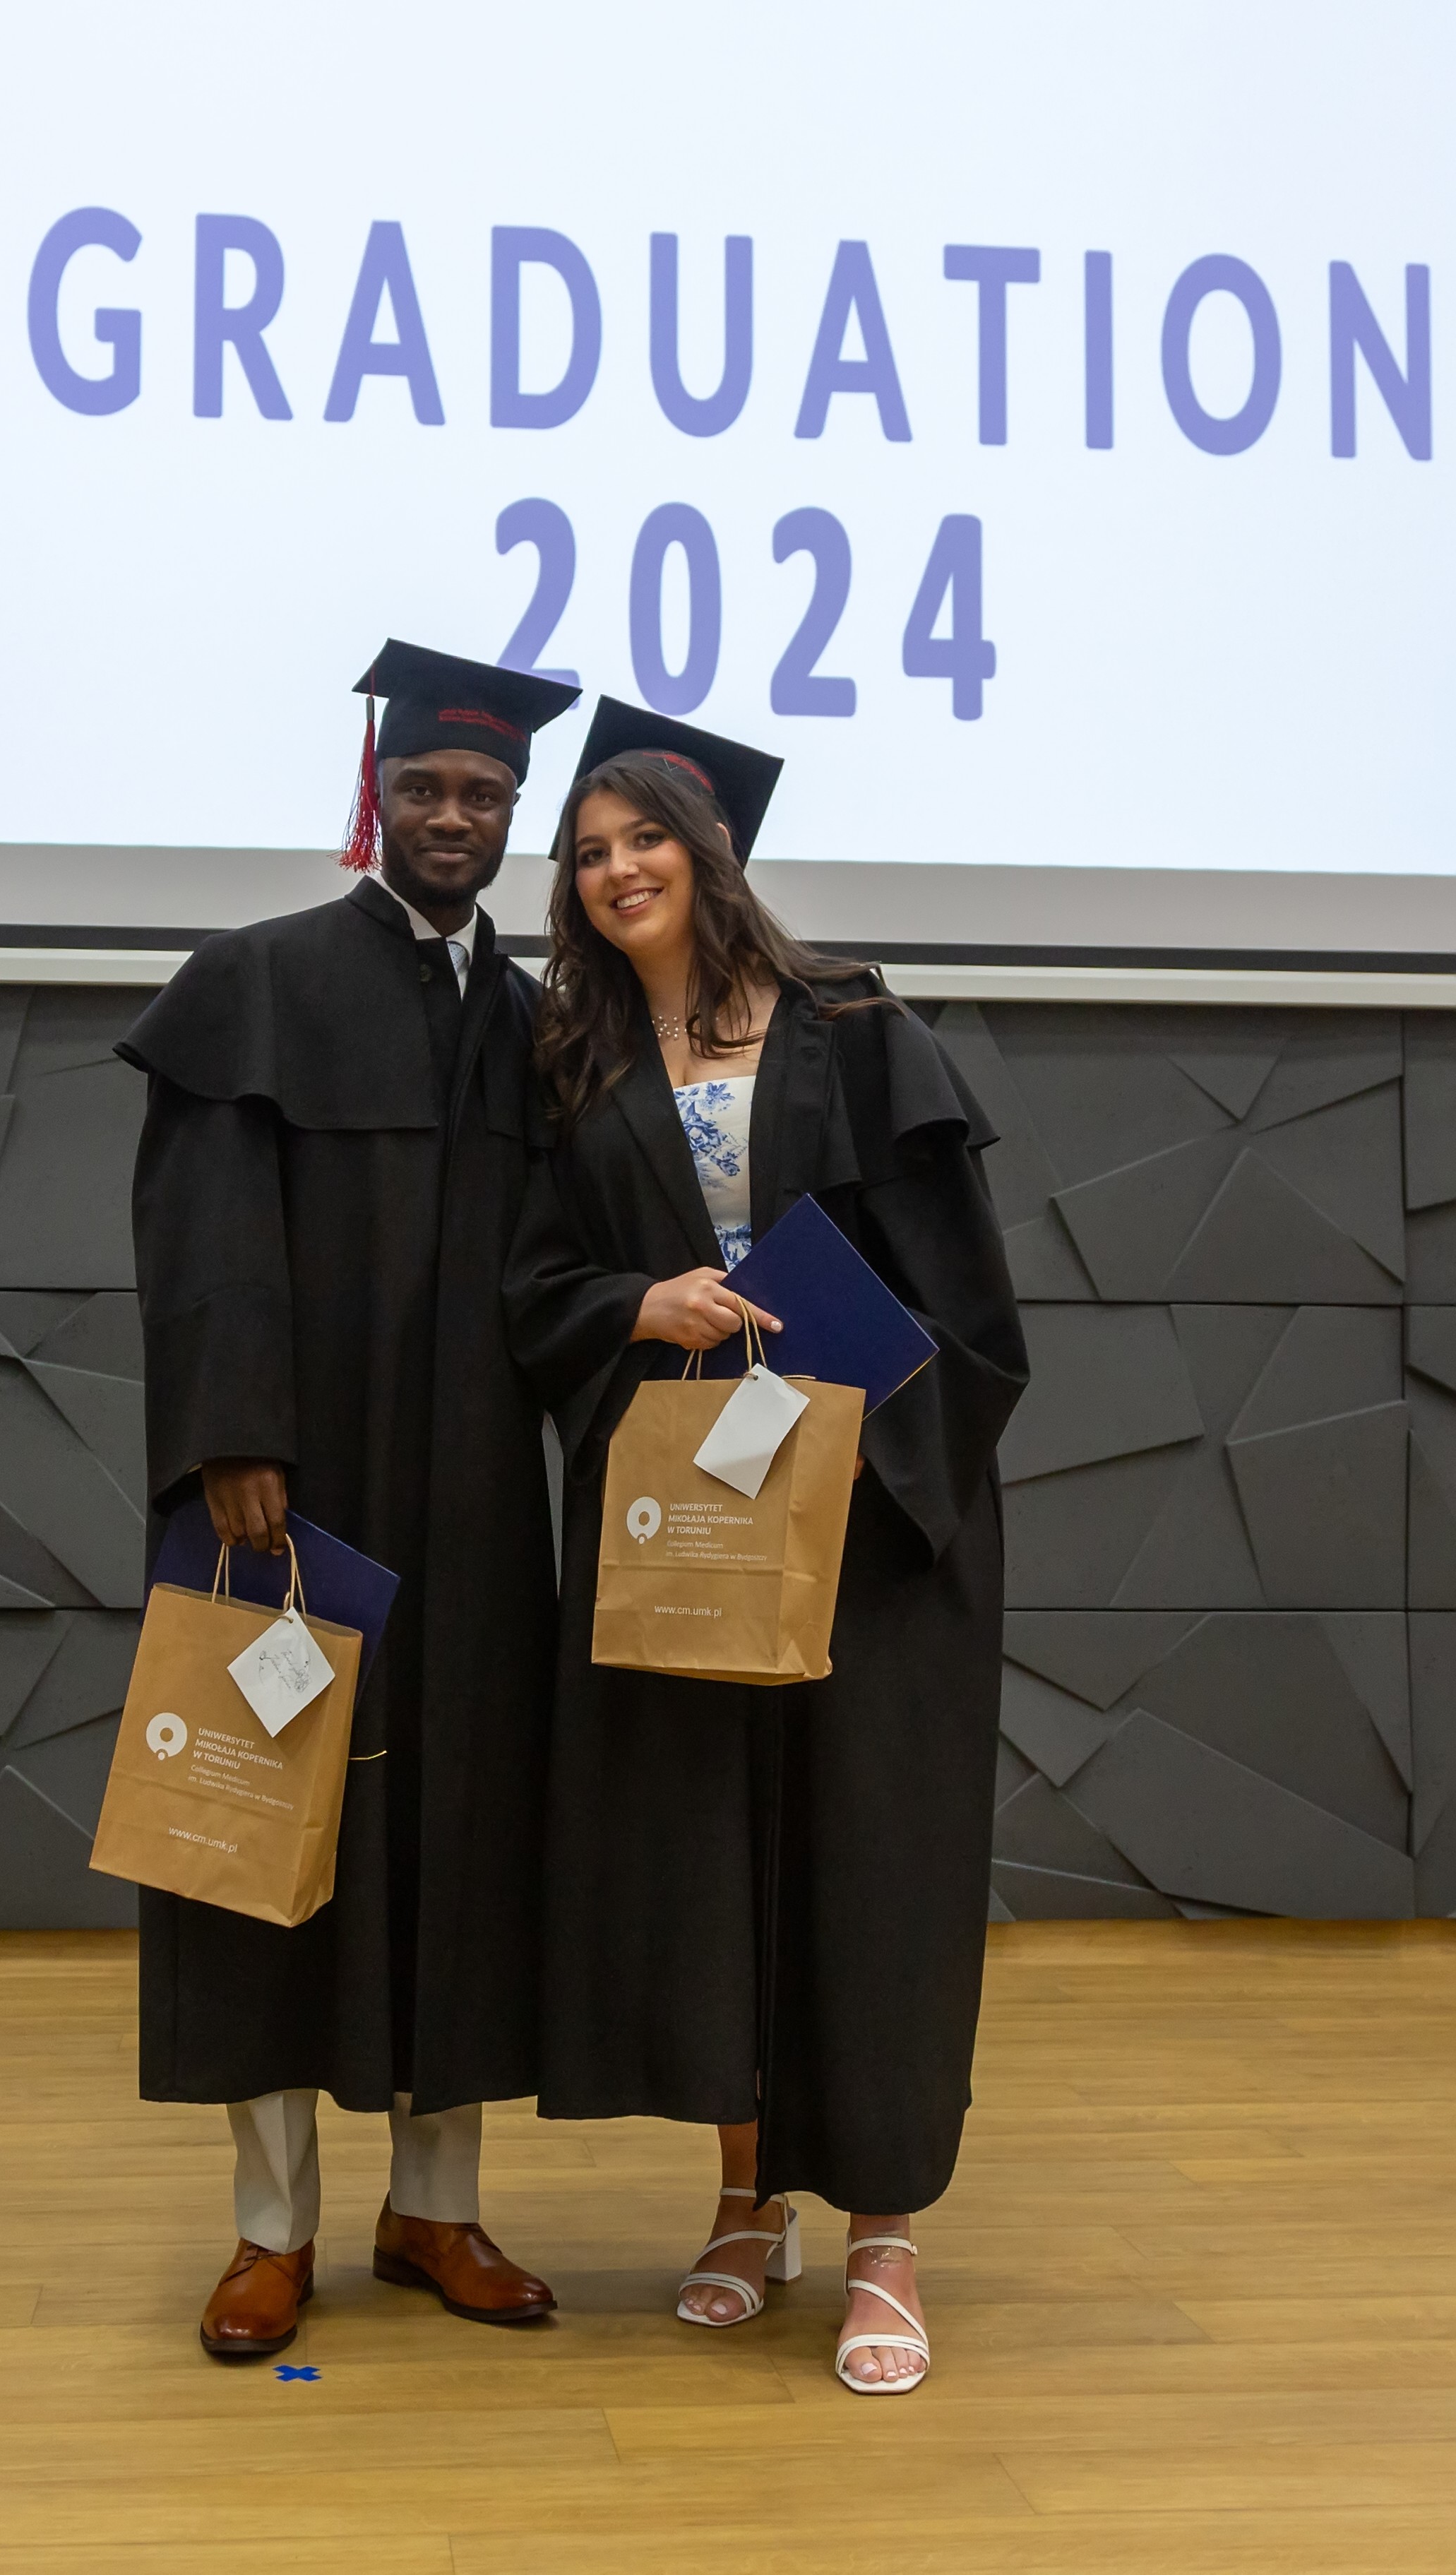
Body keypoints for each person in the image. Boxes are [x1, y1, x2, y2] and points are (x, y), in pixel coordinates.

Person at [503, 699, 1027, 2393]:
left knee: (868, 1862)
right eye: (588, 852)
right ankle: (745, 2197)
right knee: (709, 1853)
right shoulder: (578, 1067)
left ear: (710, 847)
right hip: (693, 1507)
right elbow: (533, 1287)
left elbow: (969, 1306)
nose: (616, 870)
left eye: (643, 836)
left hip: (873, 1516)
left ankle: (883, 2234)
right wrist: (633, 1303)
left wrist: (857, 1417)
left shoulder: (857, 1030)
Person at [118, 642, 579, 2357]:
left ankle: (434, 2204)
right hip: (291, 1488)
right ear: (375, 797)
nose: (454, 815)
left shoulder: (535, 1024)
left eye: (485, 794)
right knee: (259, 1829)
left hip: (475, 1494)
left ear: (513, 816)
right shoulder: (258, 980)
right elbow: (202, 1228)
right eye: (426, 787)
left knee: (460, 1829)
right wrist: (235, 1432)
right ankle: (270, 2227)